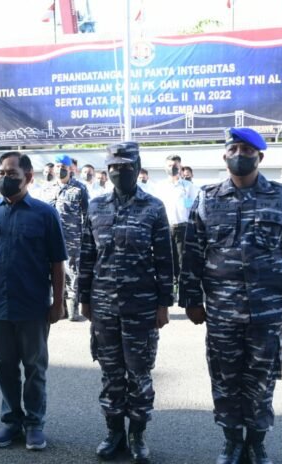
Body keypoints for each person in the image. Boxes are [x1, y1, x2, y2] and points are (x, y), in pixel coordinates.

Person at [179, 128, 282, 464]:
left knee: (261, 380)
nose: (240, 154)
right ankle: (231, 442)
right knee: (225, 378)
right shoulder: (207, 197)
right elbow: (192, 252)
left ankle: (256, 442)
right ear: (225, 155)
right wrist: (191, 299)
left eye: (247, 149)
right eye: (234, 149)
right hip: (222, 311)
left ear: (260, 156)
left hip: (267, 312)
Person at [79, 141, 174, 464]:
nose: (119, 171)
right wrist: (83, 298)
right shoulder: (95, 206)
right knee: (111, 373)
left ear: (137, 167)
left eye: (126, 166)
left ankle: (137, 435)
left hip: (141, 307)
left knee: (139, 373)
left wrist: (164, 304)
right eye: (114, 167)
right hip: (103, 305)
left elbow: (165, 260)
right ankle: (114, 432)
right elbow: (87, 255)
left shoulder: (154, 207)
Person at [0, 151, 67, 451]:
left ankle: (34, 424)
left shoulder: (45, 214)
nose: (4, 178)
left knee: (34, 367)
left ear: (27, 177)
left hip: (33, 305)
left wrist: (58, 303)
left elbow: (57, 262)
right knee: (5, 365)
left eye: (11, 174)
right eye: (1, 173)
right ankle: (11, 421)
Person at [48, 154, 89, 321]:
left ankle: (73, 308)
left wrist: (85, 238)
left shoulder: (79, 188)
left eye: (63, 167)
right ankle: (60, 307)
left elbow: (86, 215)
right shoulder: (47, 189)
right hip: (51, 238)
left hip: (73, 238)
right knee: (54, 271)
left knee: (73, 272)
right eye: (57, 166)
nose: (60, 170)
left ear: (70, 169)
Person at [154, 154, 199, 295]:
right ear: (164, 167)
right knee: (166, 259)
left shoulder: (188, 186)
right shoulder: (159, 186)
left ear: (180, 167)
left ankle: (182, 288)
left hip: (182, 227)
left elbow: (194, 208)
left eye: (175, 166)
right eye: (169, 165)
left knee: (182, 259)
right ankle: (169, 287)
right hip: (165, 228)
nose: (172, 168)